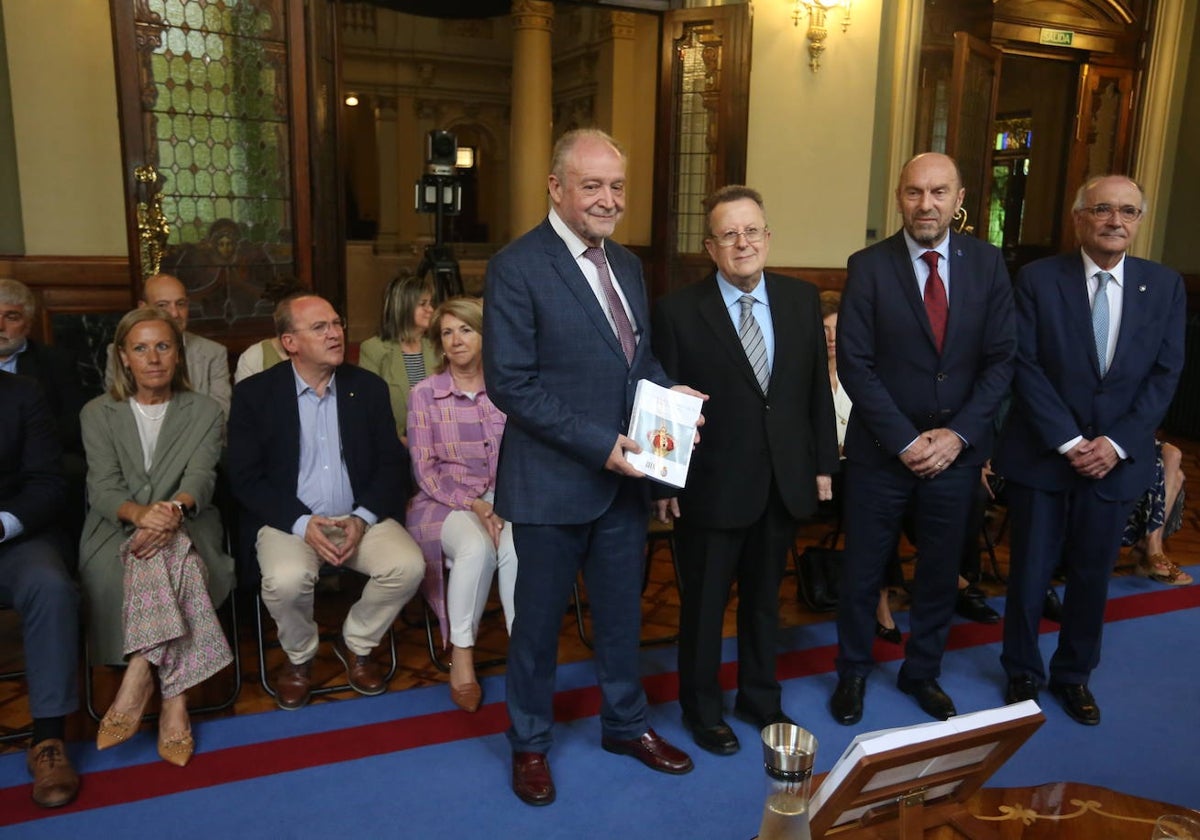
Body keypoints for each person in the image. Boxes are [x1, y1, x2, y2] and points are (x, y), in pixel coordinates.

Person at [484, 128, 700, 806]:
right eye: (592, 185)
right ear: (556, 187)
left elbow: (638, 365)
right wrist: (599, 443)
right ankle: (529, 744)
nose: (608, 199)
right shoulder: (516, 267)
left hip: (624, 489)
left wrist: (673, 400)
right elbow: (511, 385)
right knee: (537, 630)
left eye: (616, 186)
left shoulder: (629, 266)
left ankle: (626, 726)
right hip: (550, 487)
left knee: (620, 621)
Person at [651, 185, 837, 756]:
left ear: (767, 237)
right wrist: (664, 480)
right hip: (708, 489)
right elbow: (664, 402)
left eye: (751, 230)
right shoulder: (678, 311)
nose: (743, 242)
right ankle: (702, 711)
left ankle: (760, 699)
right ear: (711, 246)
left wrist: (823, 465)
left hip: (782, 482)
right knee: (704, 608)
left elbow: (815, 394)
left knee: (764, 602)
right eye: (729, 234)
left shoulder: (801, 300)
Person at [831, 152, 1016, 725]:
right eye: (914, 192)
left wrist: (957, 437)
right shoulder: (868, 266)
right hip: (881, 456)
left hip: (956, 458)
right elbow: (856, 366)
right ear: (899, 197)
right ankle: (854, 672)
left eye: (939, 192)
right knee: (863, 570)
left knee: (939, 572)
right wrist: (909, 442)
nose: (926, 204)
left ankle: (923, 672)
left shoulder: (988, 265)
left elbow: (1002, 361)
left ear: (960, 200)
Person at [996, 175, 1185, 725]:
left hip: (1118, 463)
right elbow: (1023, 364)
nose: (1115, 221)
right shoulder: (1036, 279)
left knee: (1091, 576)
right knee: (1029, 574)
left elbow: (1165, 373)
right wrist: (1073, 441)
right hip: (1043, 457)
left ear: (1138, 221)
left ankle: (1074, 676)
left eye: (1127, 211)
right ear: (1079, 217)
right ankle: (1022, 671)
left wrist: (1117, 443)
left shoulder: (1164, 285)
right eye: (1102, 209)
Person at [227, 293, 424, 710]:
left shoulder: (366, 388)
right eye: (320, 327)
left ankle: (356, 642)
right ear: (289, 343)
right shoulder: (255, 395)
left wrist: (362, 517)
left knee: (408, 566)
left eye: (336, 323)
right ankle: (299, 658)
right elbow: (244, 478)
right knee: (284, 580)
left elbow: (392, 463)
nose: (335, 333)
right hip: (289, 522)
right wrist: (301, 523)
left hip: (358, 517)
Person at [79, 309, 234, 767]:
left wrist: (173, 511)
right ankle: (175, 702)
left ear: (178, 354)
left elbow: (202, 478)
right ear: (124, 357)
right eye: (141, 348)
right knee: (169, 559)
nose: (153, 358)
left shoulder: (205, 411)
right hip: (115, 527)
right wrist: (144, 515)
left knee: (173, 551)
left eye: (163, 346)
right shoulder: (97, 413)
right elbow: (103, 488)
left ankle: (140, 675)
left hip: (191, 519)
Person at [406, 296, 516, 714]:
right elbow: (425, 470)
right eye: (447, 332)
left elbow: (524, 456)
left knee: (516, 549)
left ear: (485, 335)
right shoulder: (424, 395)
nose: (456, 340)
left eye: (465, 330)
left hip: (505, 499)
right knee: (476, 547)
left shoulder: (507, 388)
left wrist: (502, 504)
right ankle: (463, 654)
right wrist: (475, 504)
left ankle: (522, 650)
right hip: (442, 502)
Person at [0, 372, 80, 807]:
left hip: (16, 535)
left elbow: (49, 482)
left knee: (51, 588)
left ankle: (48, 742)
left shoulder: (22, 392)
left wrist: (2, 524)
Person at [105, 273, 232, 417]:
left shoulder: (213, 352)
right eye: (162, 305)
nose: (174, 313)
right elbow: (116, 410)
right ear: (143, 307)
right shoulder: (121, 352)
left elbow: (221, 414)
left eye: (180, 304)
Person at [0, 279, 86, 454]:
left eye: (11, 317)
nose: (0, 326)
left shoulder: (56, 362)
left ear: (28, 324)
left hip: (36, 457)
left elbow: (71, 425)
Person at [357, 270, 439, 443]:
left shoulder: (437, 347)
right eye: (423, 304)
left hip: (437, 443)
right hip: (393, 445)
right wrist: (399, 440)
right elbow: (367, 406)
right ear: (404, 307)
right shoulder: (374, 349)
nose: (431, 309)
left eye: (431, 303)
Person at [1125, 441, 1190, 585]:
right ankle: (1150, 548)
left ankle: (1149, 546)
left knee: (1173, 454)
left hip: (1137, 433)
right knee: (1177, 475)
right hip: (1108, 435)